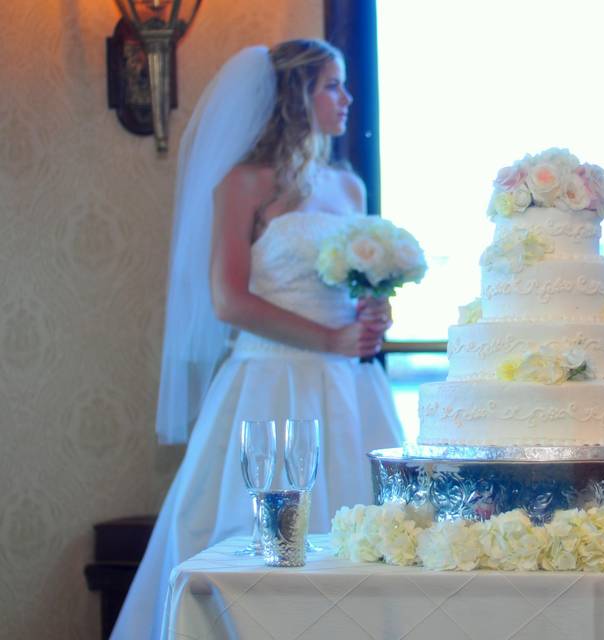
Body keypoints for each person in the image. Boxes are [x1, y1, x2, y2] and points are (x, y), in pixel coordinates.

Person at [110, 40, 404, 640]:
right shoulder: (245, 184)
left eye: (344, 85)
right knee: (255, 552)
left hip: (349, 388)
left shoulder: (347, 188)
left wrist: (371, 313)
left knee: (368, 545)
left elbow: (350, 287)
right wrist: (331, 336)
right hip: (271, 386)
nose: (346, 98)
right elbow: (230, 301)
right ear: (294, 96)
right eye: (331, 85)